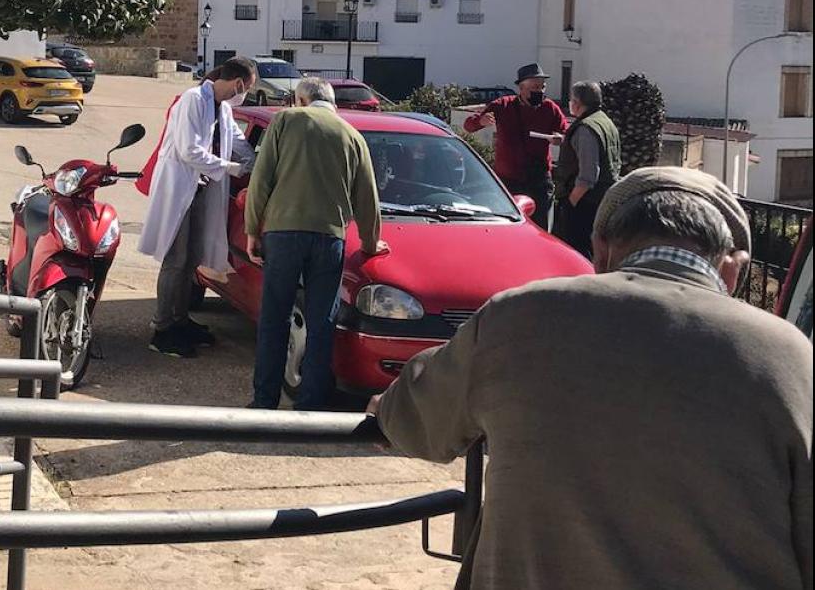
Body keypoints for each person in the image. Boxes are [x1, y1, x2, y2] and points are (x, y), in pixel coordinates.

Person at [368, 167, 813, 590]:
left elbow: (416, 420)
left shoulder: (518, 317)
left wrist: (384, 409)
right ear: (734, 268)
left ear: (601, 249)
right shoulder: (789, 356)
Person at [245, 77, 387, 410]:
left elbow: (261, 179)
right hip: (329, 237)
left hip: (283, 232)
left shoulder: (285, 121)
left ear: (302, 99)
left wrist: (253, 230)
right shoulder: (352, 136)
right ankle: (310, 404)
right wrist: (370, 242)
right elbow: (367, 196)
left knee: (275, 316)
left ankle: (264, 401)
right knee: (322, 321)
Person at [138, 57, 257, 358]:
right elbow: (188, 149)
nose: (245, 95)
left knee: (192, 257)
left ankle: (180, 320)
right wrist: (229, 168)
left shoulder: (224, 108)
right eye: (247, 88)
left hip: (202, 189)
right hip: (180, 187)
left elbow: (238, 141)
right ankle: (162, 328)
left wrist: (257, 162)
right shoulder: (192, 100)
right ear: (238, 83)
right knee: (175, 259)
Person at [463, 63, 567, 229]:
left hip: (539, 179)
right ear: (522, 88)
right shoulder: (503, 105)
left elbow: (566, 133)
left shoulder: (550, 108)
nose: (539, 91)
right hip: (509, 180)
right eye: (535, 87)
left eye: (542, 87)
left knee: (540, 228)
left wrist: (560, 138)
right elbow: (468, 126)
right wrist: (480, 121)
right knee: (508, 226)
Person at [553, 80, 621, 257]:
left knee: (575, 255)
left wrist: (570, 203)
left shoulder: (585, 129)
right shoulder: (605, 121)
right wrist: (566, 142)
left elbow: (588, 176)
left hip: (583, 204)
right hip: (602, 199)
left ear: (576, 102)